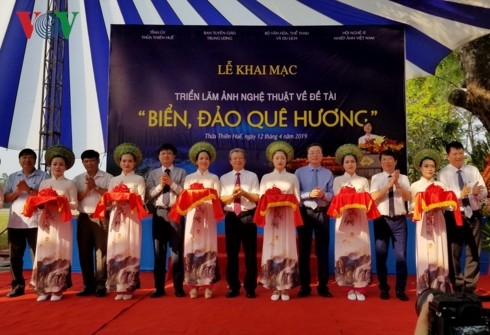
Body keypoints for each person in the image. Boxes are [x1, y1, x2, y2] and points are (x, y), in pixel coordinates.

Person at [29, 145, 78, 301]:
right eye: (55, 164)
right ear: (49, 166)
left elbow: (75, 205)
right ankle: (43, 288)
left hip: (62, 223)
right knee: (44, 252)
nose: (58, 167)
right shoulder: (44, 183)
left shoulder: (69, 184)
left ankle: (57, 289)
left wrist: (61, 202)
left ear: (66, 167)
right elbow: (39, 203)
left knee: (59, 251)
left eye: (61, 164)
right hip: (46, 222)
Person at [438, 141, 487, 293]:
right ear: (448, 156)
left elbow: (484, 191)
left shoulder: (472, 170)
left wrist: (479, 193)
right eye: (455, 154)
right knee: (454, 252)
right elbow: (444, 198)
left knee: (473, 251)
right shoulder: (443, 174)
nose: (458, 157)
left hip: (474, 215)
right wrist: (461, 194)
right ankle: (457, 284)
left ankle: (470, 286)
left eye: (461, 153)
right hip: (454, 215)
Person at [330, 144, 377, 301]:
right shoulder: (337, 180)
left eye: (352, 161)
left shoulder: (363, 180)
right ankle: (349, 286)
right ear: (342, 165)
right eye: (347, 162)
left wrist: (354, 198)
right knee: (345, 251)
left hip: (360, 220)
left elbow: (367, 199)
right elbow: (337, 199)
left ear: (356, 164)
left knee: (361, 250)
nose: (350, 164)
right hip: (343, 221)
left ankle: (361, 286)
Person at [177, 141, 223, 299]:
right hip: (193, 216)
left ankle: (209, 284)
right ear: (196, 161)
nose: (204, 161)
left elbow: (217, 197)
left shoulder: (214, 177)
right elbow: (185, 197)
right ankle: (193, 285)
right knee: (192, 248)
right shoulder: (189, 178)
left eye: (206, 158)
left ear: (210, 161)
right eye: (201, 158)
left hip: (208, 216)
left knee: (208, 247)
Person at [256, 141, 301, 301]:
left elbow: (297, 199)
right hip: (272, 218)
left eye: (282, 157)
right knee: (272, 247)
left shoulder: (293, 177)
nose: (280, 160)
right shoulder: (266, 178)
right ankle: (275, 287)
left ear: (286, 160)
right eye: (277, 157)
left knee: (287, 247)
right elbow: (262, 199)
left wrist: (284, 200)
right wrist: (273, 200)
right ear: (272, 160)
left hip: (287, 218)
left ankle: (286, 287)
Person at [3, 148, 49, 298]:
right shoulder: (12, 177)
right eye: (23, 157)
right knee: (15, 256)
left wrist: (28, 189)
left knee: (38, 255)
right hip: (16, 223)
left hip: (36, 222)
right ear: (19, 160)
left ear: (35, 160)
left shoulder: (44, 176)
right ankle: (18, 285)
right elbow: (6, 198)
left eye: (30, 157)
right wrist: (18, 191)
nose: (26, 160)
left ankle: (40, 285)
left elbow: (45, 198)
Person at [410, 149, 457, 295]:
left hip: (438, 223)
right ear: (420, 168)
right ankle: (424, 287)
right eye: (426, 166)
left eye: (432, 166)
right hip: (423, 222)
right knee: (425, 253)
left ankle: (440, 286)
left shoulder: (440, 185)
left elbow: (448, 204)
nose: (430, 169)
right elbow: (412, 207)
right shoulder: (415, 186)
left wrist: (440, 204)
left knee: (439, 252)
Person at [106, 143, 146, 300]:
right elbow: (108, 200)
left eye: (130, 161)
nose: (126, 164)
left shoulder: (139, 179)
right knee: (116, 249)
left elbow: (141, 200)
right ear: (119, 162)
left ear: (134, 163)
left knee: (130, 249)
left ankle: (129, 287)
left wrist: (127, 197)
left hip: (132, 218)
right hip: (116, 218)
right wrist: (113, 200)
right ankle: (117, 287)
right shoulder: (114, 180)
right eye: (124, 161)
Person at [146, 143, 187, 298]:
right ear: (159, 156)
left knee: (177, 252)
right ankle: (159, 288)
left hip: (176, 213)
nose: (166, 156)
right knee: (159, 252)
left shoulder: (182, 172)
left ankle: (178, 287)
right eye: (163, 153)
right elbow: (148, 195)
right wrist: (160, 186)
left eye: (169, 153)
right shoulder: (153, 174)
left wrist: (172, 184)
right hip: (159, 214)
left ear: (174, 156)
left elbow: (184, 193)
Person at [370, 149, 411, 301]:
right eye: (384, 159)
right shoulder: (376, 178)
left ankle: (400, 289)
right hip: (381, 220)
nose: (387, 162)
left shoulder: (404, 178)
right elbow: (373, 198)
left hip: (399, 220)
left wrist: (398, 184)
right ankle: (384, 288)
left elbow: (408, 197)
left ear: (395, 162)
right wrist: (389, 185)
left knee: (401, 256)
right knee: (381, 255)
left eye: (390, 159)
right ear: (381, 162)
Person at [294, 143, 334, 298]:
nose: (315, 155)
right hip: (305, 212)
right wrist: (309, 194)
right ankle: (305, 286)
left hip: (322, 213)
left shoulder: (328, 173)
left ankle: (323, 286)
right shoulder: (299, 172)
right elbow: (296, 193)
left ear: (322, 155)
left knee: (322, 250)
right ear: (307, 156)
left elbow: (332, 193)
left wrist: (324, 196)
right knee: (304, 251)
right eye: (312, 153)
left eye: (318, 152)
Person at [219, 148, 260, 299]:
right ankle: (233, 286)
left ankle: (250, 287)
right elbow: (221, 199)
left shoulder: (252, 176)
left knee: (250, 254)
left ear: (245, 160)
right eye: (234, 158)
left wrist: (243, 193)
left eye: (240, 158)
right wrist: (232, 196)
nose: (237, 160)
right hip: (231, 217)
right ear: (230, 161)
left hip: (248, 216)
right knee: (232, 254)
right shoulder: (224, 178)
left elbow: (256, 198)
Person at [73, 150, 113, 297]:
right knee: (84, 251)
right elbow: (73, 198)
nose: (89, 163)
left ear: (98, 161)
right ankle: (88, 284)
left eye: (92, 160)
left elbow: (111, 197)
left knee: (101, 251)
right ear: (82, 163)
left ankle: (101, 284)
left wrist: (95, 187)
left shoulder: (108, 177)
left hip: (102, 216)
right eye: (86, 161)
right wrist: (87, 189)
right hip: (83, 217)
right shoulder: (77, 179)